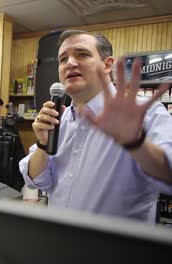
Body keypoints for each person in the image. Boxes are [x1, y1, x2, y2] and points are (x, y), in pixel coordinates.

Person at [19, 29, 172, 223]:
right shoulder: (59, 119)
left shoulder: (144, 112)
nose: (70, 63)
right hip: (58, 243)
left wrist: (137, 144)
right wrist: (42, 145)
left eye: (82, 54)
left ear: (108, 65)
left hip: (116, 250)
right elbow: (36, 180)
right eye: (63, 59)